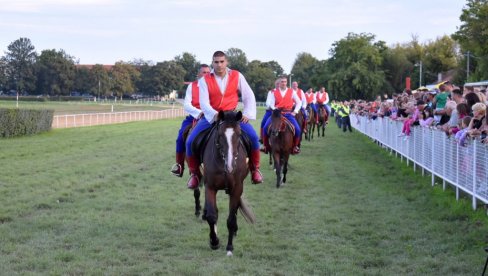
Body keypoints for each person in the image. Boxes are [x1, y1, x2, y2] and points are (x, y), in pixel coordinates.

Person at [185, 51, 263, 189]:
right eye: (216, 62)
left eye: (222, 61)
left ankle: (255, 170)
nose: (219, 64)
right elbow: (204, 103)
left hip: (232, 116)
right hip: (213, 116)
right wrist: (214, 115)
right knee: (191, 141)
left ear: (226, 62)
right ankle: (195, 174)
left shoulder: (237, 76)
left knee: (253, 137)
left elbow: (248, 95)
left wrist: (247, 113)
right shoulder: (204, 81)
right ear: (212, 63)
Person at [170, 64, 211, 177]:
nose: (206, 74)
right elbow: (187, 105)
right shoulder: (192, 86)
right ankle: (180, 166)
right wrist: (199, 113)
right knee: (180, 139)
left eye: (208, 72)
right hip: (194, 117)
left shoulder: (214, 86)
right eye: (204, 72)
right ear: (198, 74)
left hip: (211, 117)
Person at [261, 76, 302, 154]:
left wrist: (295, 111)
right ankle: (265, 146)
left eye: (285, 82)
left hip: (288, 114)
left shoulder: (291, 91)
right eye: (282, 82)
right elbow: (271, 104)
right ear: (279, 83)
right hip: (277, 114)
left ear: (286, 82)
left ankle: (295, 147)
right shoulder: (274, 92)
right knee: (266, 127)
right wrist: (275, 109)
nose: (283, 83)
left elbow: (299, 102)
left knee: (297, 129)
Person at [259, 79, 280, 150]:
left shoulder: (285, 92)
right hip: (271, 111)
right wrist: (273, 107)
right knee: (263, 124)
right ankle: (263, 141)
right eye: (276, 84)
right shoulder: (271, 92)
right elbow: (268, 102)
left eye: (279, 84)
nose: (278, 85)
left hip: (281, 112)